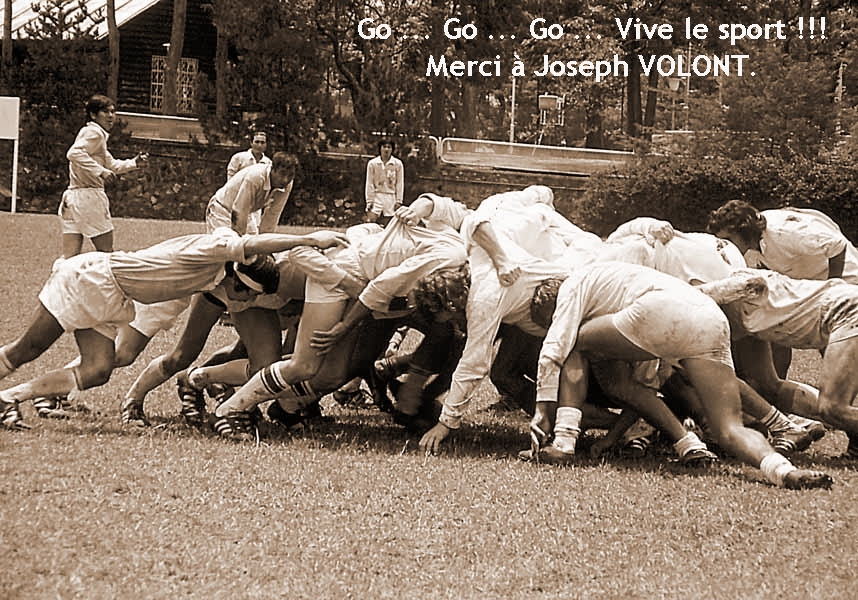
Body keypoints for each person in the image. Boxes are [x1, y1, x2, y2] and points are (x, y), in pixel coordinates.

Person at [0, 228, 349, 431]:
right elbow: (251, 244)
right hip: (89, 280)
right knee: (27, 349)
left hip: (114, 298)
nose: (245, 303)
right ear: (236, 279)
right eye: (246, 295)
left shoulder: (217, 274)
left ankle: (9, 398)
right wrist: (309, 238)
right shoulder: (212, 252)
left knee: (98, 370)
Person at [525, 262, 832, 489]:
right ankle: (783, 471)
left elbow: (556, 345)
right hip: (709, 316)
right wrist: (613, 436)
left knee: (574, 343)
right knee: (728, 428)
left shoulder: (573, 285)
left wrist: (542, 410)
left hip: (661, 310)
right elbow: (636, 387)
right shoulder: (616, 288)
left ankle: (563, 443)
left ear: (552, 304)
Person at [211, 193, 470, 437]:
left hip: (359, 276)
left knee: (332, 375)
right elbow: (380, 287)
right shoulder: (453, 256)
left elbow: (443, 206)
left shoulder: (461, 249)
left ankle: (285, 406)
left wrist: (420, 208)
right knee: (304, 365)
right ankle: (229, 408)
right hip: (345, 271)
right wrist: (343, 327)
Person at [704, 266, 858, 459]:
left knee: (833, 408)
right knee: (766, 387)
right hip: (841, 305)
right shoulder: (736, 296)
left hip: (846, 310)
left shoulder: (722, 291)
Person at [707, 200, 858, 377]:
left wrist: (834, 286)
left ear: (743, 229)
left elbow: (837, 245)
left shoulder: (784, 231)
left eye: (729, 239)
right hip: (808, 284)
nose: (726, 246)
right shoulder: (751, 243)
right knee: (776, 331)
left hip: (846, 279)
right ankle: (778, 383)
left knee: (835, 342)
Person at [59, 94, 149, 259]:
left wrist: (134, 163)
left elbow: (112, 165)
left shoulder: (90, 134)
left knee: (69, 258)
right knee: (106, 254)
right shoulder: (95, 133)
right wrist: (100, 171)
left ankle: (59, 277)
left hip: (71, 198)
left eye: (112, 112)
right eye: (105, 112)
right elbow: (73, 153)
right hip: (89, 198)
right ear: (93, 115)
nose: (110, 116)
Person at [365, 138, 404, 226]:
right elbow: (369, 183)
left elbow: (399, 183)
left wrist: (399, 200)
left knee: (389, 223)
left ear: (392, 149)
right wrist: (369, 200)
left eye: (389, 147)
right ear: (380, 148)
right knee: (372, 220)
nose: (386, 149)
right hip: (377, 195)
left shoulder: (397, 164)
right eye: (384, 147)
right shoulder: (373, 163)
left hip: (391, 196)